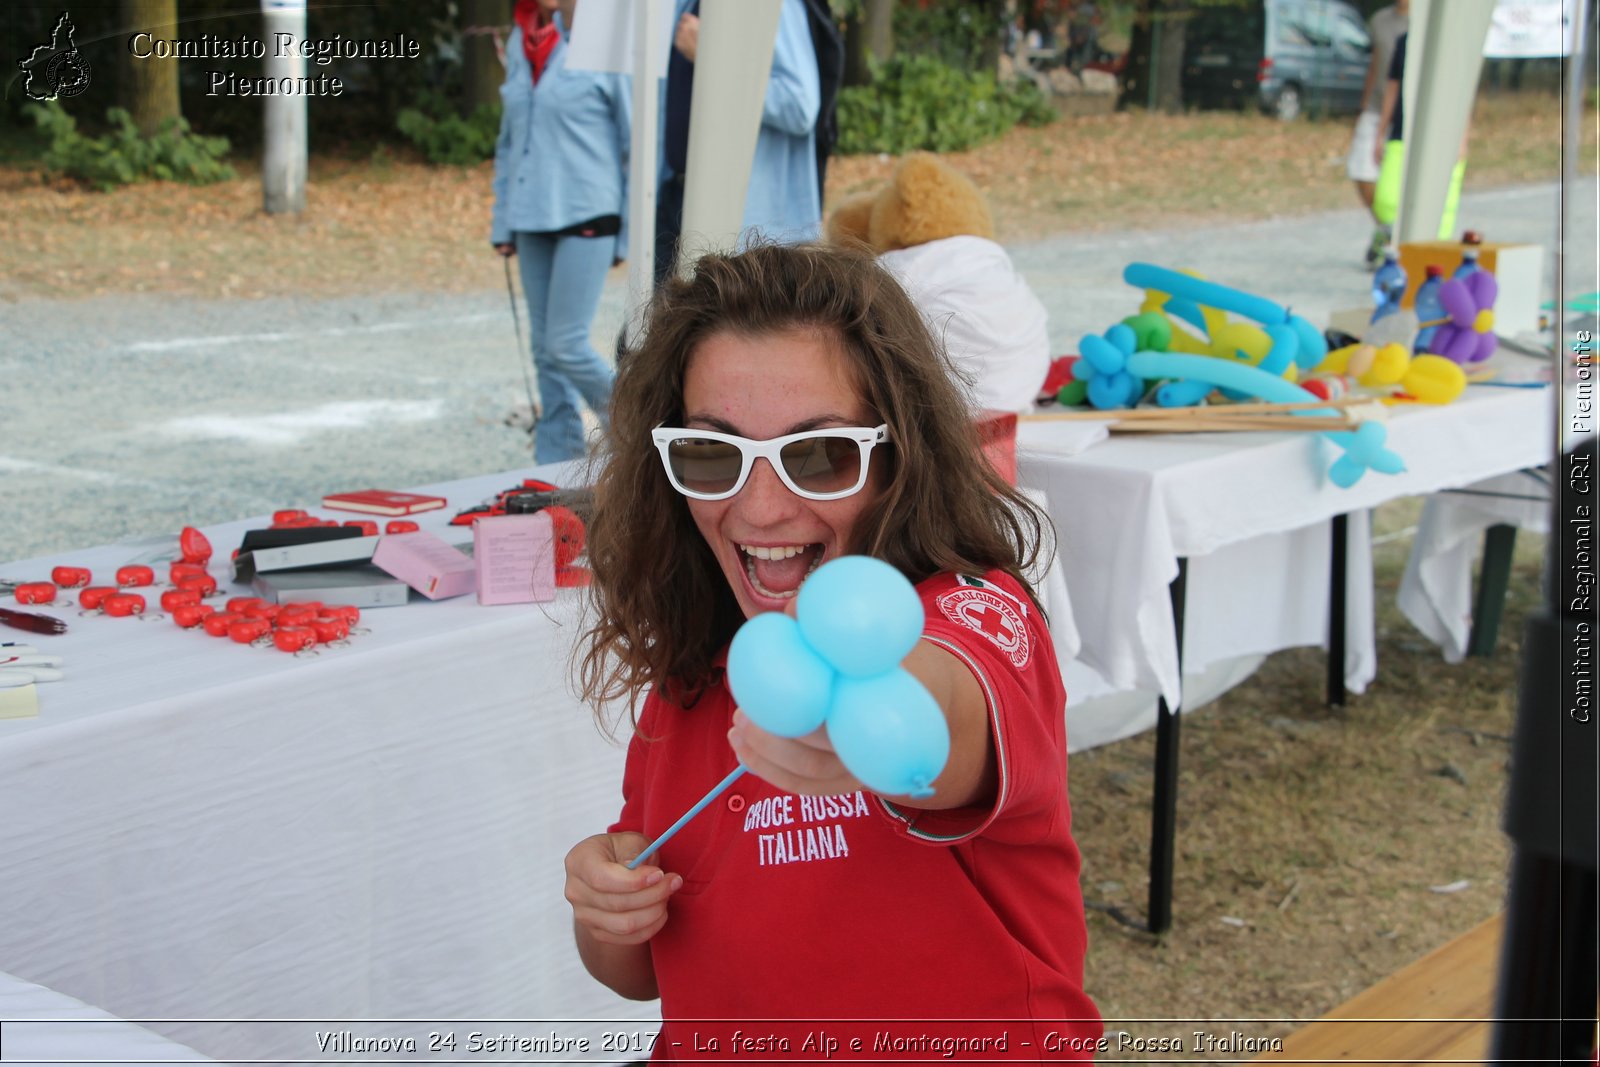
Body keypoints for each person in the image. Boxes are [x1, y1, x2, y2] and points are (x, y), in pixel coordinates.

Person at [564, 242, 1101, 1057]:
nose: (763, 505)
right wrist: (607, 905)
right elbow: (635, 972)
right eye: (711, 453)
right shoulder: (693, 681)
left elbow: (948, 706)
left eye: (819, 454)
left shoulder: (974, 609)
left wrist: (864, 726)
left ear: (897, 457)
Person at [490, 0, 629, 464]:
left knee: (565, 343)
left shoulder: (601, 37)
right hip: (530, 215)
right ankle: (556, 463)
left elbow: (634, 140)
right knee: (543, 350)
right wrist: (504, 220)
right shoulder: (519, 39)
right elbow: (510, 141)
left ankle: (633, 428)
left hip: (589, 209)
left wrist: (628, 231)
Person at [655, 0, 823, 282]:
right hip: (674, 199)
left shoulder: (773, 6)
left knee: (723, 320)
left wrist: (710, 56)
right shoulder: (681, 5)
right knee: (665, 321)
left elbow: (801, 106)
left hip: (740, 218)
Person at [1372, 31, 1467, 243]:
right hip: (1403, 130)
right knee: (1385, 199)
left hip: (1444, 132)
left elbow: (1463, 93)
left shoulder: (1458, 42)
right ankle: (1390, 235)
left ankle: (1434, 255)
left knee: (1442, 205)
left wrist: (1462, 139)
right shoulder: (1405, 40)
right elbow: (1392, 88)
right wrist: (1381, 132)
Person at [1345, 1, 1408, 267]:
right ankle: (1387, 229)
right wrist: (1364, 104)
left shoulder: (1424, 23)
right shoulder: (1380, 20)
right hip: (1376, 107)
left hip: (1406, 112)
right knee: (1360, 169)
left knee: (1397, 180)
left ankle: (1397, 237)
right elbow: (1376, 64)